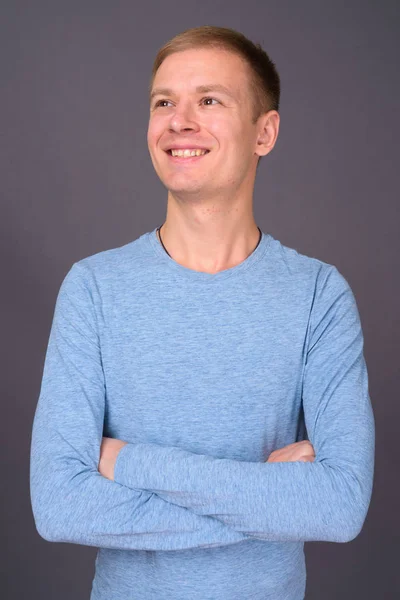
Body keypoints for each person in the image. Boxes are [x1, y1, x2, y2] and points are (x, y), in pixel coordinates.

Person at [30, 25, 375, 600]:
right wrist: (269, 498)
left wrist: (131, 464)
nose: (178, 121)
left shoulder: (319, 295)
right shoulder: (93, 289)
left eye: (209, 100)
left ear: (264, 132)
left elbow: (338, 507)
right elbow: (61, 505)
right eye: (164, 102)